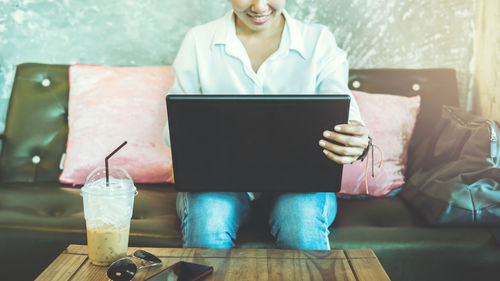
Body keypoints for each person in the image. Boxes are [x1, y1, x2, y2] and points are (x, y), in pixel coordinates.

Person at [168, 0, 370, 250]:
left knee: (302, 221)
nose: (260, 6)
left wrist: (356, 139)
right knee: (208, 220)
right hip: (216, 185)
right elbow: (174, 128)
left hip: (301, 183)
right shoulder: (198, 40)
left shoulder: (318, 40)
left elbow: (346, 115)